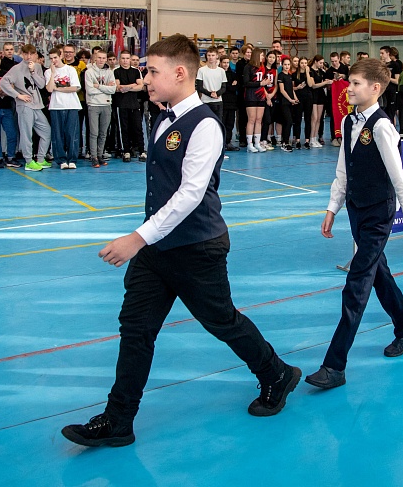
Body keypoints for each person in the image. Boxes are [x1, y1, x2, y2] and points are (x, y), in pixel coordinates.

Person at [61, 34, 301, 448]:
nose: (146, 79)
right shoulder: (163, 117)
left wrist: (137, 238)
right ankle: (119, 420)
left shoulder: (205, 125)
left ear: (178, 73)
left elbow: (190, 194)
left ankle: (276, 373)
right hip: (157, 248)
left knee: (222, 321)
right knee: (136, 329)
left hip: (196, 247)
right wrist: (147, 239)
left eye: (152, 71)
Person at [304, 59, 403, 390]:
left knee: (357, 284)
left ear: (375, 88)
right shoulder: (348, 121)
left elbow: (400, 180)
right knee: (379, 274)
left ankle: (334, 366)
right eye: (349, 82)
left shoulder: (383, 126)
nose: (349, 88)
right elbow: (343, 170)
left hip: (378, 213)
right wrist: (332, 208)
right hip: (356, 209)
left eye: (356, 83)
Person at [0, 44, 51, 171]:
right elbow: (3, 82)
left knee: (46, 131)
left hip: (37, 105)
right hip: (24, 105)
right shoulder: (16, 68)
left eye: (31, 54)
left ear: (35, 55)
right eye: (26, 54)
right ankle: (29, 161)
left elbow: (41, 85)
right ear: (22, 54)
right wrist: (17, 95)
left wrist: (33, 71)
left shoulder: (37, 66)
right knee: (26, 133)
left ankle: (40, 159)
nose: (29, 57)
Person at [45, 47, 82, 169]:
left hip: (72, 105)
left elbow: (75, 88)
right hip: (56, 106)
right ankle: (61, 160)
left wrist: (58, 88)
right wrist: (53, 73)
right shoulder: (48, 72)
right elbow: (49, 89)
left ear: (60, 56)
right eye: (51, 58)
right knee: (57, 135)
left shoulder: (70, 70)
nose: (53, 60)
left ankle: (72, 159)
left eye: (55, 57)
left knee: (72, 133)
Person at [84, 50, 116, 168]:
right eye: (99, 57)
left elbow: (113, 90)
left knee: (103, 133)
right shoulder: (89, 72)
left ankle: (100, 154)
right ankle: (94, 157)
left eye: (103, 58)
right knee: (94, 133)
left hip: (106, 104)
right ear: (95, 59)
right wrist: (105, 87)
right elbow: (90, 90)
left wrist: (98, 86)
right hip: (93, 105)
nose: (101, 60)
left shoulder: (109, 72)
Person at [113, 51, 146, 162]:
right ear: (120, 59)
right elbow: (118, 88)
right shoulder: (116, 71)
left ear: (130, 59)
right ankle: (126, 151)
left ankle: (142, 151)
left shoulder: (136, 71)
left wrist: (127, 87)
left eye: (127, 58)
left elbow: (141, 86)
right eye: (123, 58)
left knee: (138, 128)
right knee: (124, 128)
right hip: (121, 104)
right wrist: (132, 85)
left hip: (134, 104)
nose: (125, 61)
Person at [243, 47, 271, 153]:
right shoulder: (248, 67)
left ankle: (257, 143)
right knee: (251, 119)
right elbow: (246, 83)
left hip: (261, 96)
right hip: (251, 95)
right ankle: (249, 144)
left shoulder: (262, 67)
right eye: (262, 55)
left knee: (259, 119)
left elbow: (263, 82)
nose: (263, 57)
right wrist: (260, 83)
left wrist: (265, 86)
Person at [195, 46, 226, 120]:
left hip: (218, 101)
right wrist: (210, 94)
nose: (211, 57)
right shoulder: (201, 70)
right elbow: (199, 87)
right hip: (206, 101)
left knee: (218, 122)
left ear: (217, 56)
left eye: (213, 55)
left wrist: (217, 94)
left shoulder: (221, 71)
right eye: (209, 55)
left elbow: (224, 87)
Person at [308, 55, 332, 148]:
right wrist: (325, 83)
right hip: (314, 95)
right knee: (314, 118)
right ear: (315, 61)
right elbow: (313, 85)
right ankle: (311, 138)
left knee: (319, 118)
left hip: (321, 95)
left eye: (322, 63)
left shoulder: (321, 71)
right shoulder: (310, 71)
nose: (322, 64)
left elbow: (322, 83)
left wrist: (327, 82)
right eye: (320, 63)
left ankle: (315, 138)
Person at [219, 54, 240, 151]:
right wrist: (230, 86)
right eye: (224, 62)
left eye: (227, 62)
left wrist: (230, 87)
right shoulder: (218, 74)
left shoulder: (233, 74)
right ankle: (221, 142)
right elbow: (225, 88)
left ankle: (228, 141)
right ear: (220, 63)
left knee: (230, 123)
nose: (226, 64)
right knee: (222, 122)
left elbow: (236, 86)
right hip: (222, 101)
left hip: (232, 102)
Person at [277, 57, 297, 151]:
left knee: (289, 122)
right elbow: (282, 90)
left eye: (288, 64)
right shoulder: (281, 76)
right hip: (284, 102)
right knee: (288, 121)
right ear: (282, 65)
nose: (287, 66)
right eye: (285, 64)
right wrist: (290, 99)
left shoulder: (290, 75)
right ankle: (284, 142)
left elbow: (291, 89)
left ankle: (285, 141)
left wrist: (295, 98)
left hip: (290, 102)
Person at [293, 57, 312, 149]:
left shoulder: (310, 73)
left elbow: (310, 84)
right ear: (299, 64)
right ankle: (297, 140)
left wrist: (307, 73)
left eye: (305, 63)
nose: (304, 65)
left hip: (308, 98)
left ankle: (307, 140)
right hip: (299, 98)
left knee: (308, 119)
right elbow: (291, 87)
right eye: (302, 63)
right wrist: (298, 88)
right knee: (298, 120)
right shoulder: (294, 74)